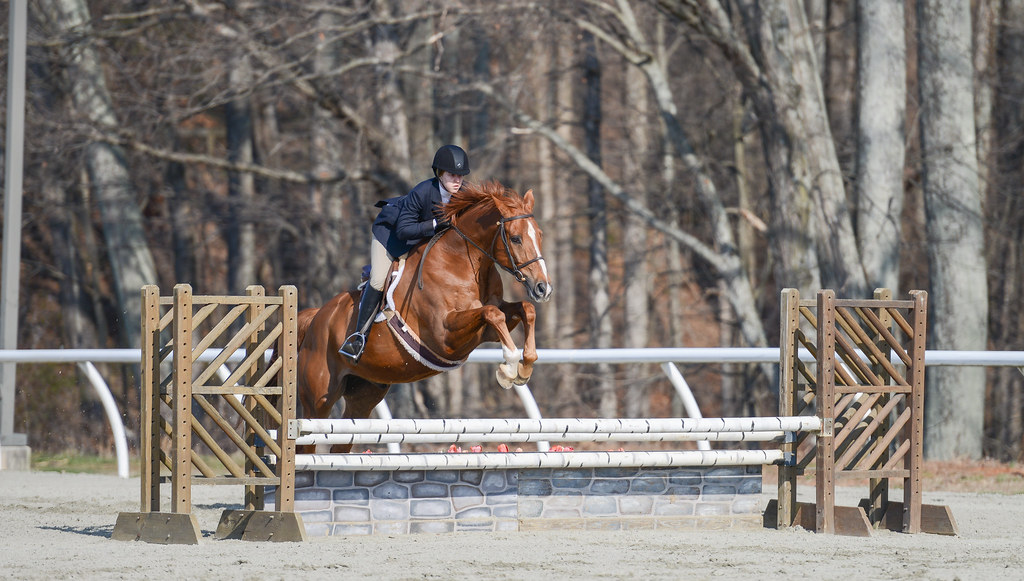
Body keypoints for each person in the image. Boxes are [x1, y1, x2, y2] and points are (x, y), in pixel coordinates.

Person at [339, 144, 471, 361]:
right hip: (391, 238)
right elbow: (403, 231)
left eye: (461, 175)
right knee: (378, 280)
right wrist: (436, 223)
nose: (457, 180)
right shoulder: (422, 192)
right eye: (452, 175)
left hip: (423, 242)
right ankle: (358, 337)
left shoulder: (465, 193)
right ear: (439, 173)